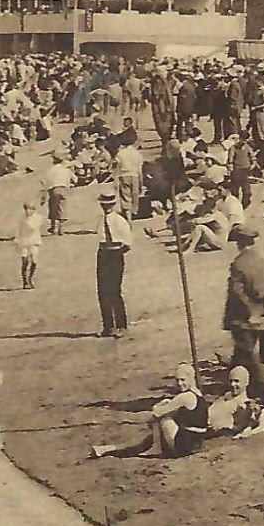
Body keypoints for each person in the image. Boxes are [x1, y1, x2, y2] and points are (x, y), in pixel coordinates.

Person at [90, 362, 209, 458]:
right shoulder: (198, 394)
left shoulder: (185, 397)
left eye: (183, 380)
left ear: (191, 378)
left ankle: (153, 447)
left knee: (162, 418)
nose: (179, 383)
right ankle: (108, 450)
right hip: (197, 443)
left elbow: (157, 413)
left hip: (186, 445)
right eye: (177, 380)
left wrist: (157, 407)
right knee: (146, 440)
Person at [223, 225, 264, 403]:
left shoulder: (238, 264)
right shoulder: (261, 262)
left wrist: (250, 313)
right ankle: (233, 387)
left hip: (243, 319)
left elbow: (237, 293)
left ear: (238, 243)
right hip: (261, 315)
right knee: (240, 355)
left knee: (248, 354)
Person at [95, 188, 133, 337]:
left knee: (114, 291)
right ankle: (108, 326)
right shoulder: (100, 220)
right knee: (102, 291)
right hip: (103, 253)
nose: (106, 207)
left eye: (108, 204)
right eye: (104, 204)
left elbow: (128, 243)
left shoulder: (120, 220)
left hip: (115, 253)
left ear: (113, 204)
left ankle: (121, 325)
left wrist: (116, 254)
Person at [15, 201, 43, 289]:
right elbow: (19, 230)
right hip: (24, 242)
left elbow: (33, 227)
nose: (28, 212)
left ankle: (30, 278)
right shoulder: (21, 218)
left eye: (31, 210)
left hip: (34, 242)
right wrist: (17, 240)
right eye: (27, 209)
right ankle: (25, 281)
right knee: (25, 261)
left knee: (34, 261)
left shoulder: (38, 218)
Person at [45, 153, 73, 235]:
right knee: (62, 208)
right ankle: (61, 228)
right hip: (64, 189)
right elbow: (74, 179)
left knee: (53, 207)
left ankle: (53, 227)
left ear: (54, 160)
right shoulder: (66, 170)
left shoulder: (51, 170)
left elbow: (46, 181)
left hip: (54, 189)